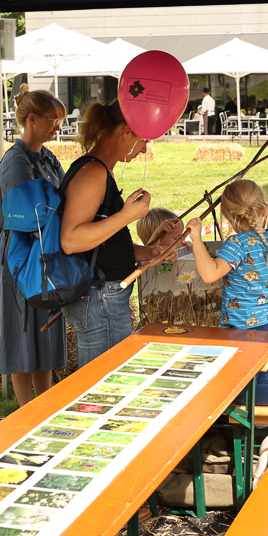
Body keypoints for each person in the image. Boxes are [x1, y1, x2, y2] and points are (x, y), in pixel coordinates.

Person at [185, 180, 268, 406]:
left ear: (228, 217)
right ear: (264, 210)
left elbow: (210, 273)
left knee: (242, 393)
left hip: (243, 332)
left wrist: (196, 239)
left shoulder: (236, 244)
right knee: (260, 384)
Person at [59, 100, 164, 366]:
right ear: (126, 131)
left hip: (105, 296)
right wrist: (126, 216)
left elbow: (102, 242)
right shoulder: (93, 172)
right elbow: (71, 240)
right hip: (98, 298)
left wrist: (147, 252)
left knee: (109, 384)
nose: (144, 149)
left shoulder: (101, 171)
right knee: (102, 389)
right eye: (144, 140)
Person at [0, 87, 68, 406]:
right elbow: (27, 216)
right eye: (53, 120)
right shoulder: (15, 161)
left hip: (46, 254)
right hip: (21, 258)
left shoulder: (48, 157)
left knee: (44, 330)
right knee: (22, 331)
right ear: (32, 119)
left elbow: (66, 198)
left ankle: (44, 406)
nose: (58, 127)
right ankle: (26, 413)